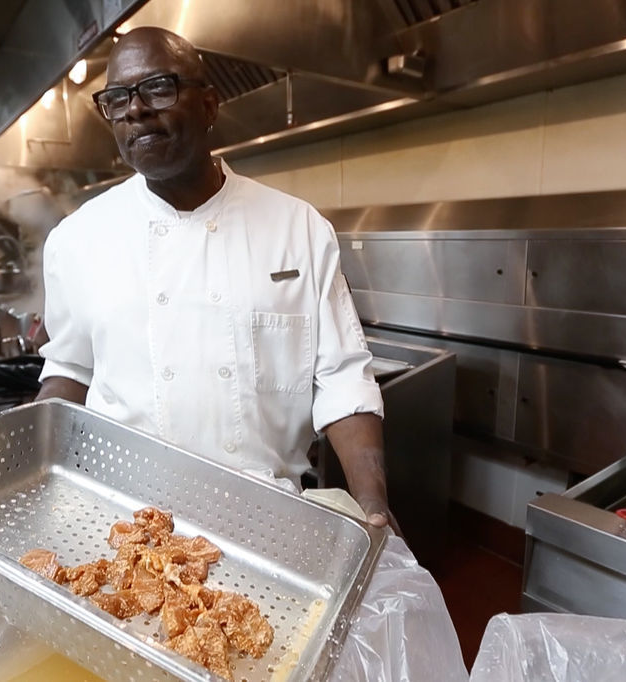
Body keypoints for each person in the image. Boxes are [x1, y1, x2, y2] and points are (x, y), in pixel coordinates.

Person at [35, 26, 396, 531]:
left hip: (267, 520)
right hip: (123, 520)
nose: (135, 109)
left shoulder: (299, 227)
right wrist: (23, 465)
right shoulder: (77, 239)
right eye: (116, 99)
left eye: (158, 88)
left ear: (209, 105)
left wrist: (373, 504)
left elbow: (341, 379)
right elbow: (71, 372)